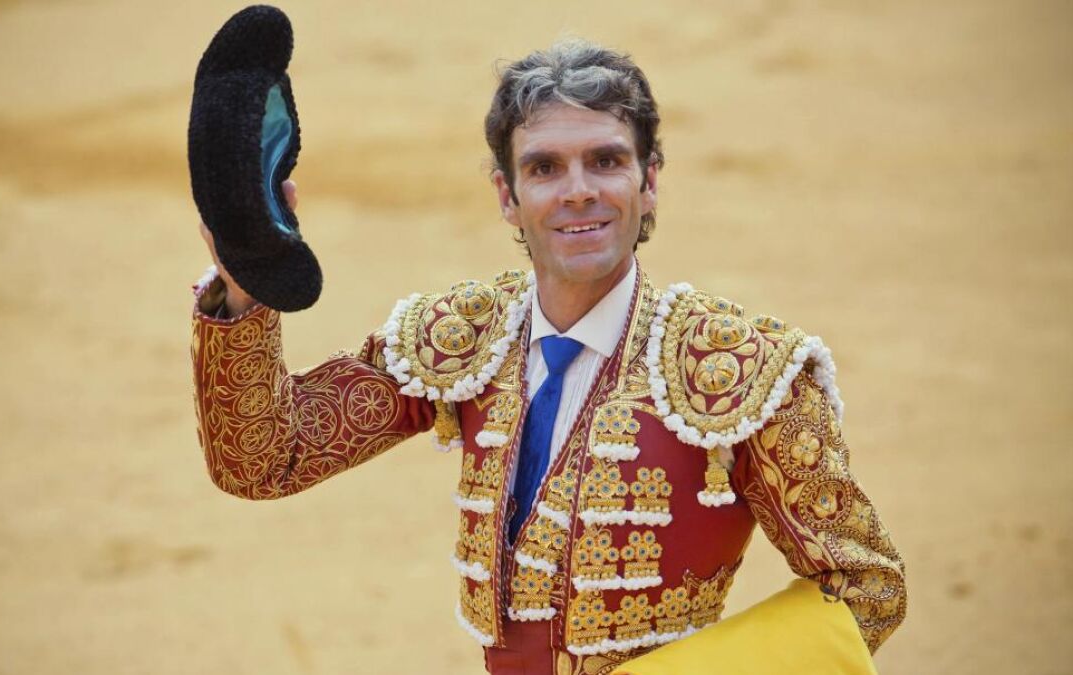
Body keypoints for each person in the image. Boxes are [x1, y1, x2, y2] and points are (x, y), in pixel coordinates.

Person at [190, 39, 905, 675]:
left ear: (649, 181)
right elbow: (264, 459)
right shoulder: (462, 337)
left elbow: (866, 587)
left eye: (606, 160)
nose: (579, 191)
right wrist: (244, 291)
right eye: (544, 168)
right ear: (508, 195)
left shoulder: (741, 371)